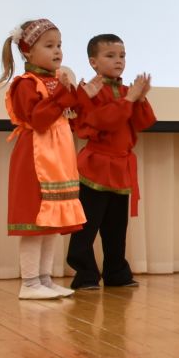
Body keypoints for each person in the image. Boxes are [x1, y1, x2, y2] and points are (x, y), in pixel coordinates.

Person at [0, 18, 86, 301]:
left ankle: (45, 280)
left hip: (58, 157)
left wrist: (78, 95)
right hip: (36, 158)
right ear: (27, 52)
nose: (57, 51)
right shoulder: (26, 83)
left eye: (59, 45)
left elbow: (67, 119)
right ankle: (30, 283)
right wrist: (62, 94)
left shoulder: (56, 81)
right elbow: (38, 119)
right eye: (49, 46)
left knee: (51, 223)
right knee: (36, 222)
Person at [67, 33, 156, 291]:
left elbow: (143, 123)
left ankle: (117, 272)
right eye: (110, 56)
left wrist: (139, 98)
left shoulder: (128, 91)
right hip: (95, 167)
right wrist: (129, 100)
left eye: (122, 55)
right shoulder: (89, 90)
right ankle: (84, 275)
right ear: (93, 62)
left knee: (116, 227)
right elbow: (101, 121)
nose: (119, 61)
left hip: (120, 167)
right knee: (87, 226)